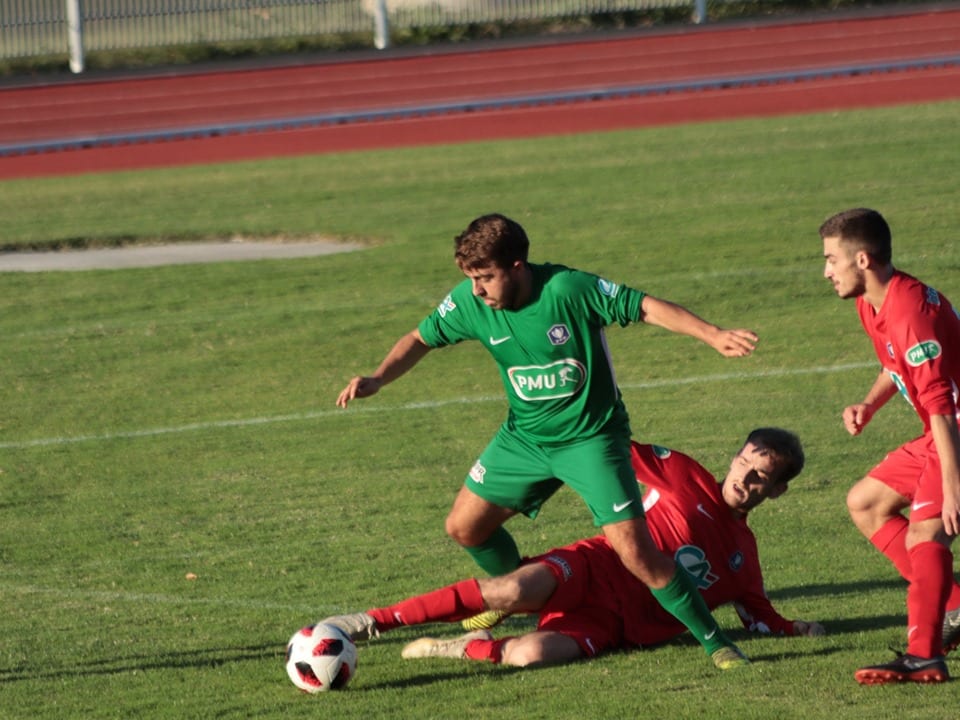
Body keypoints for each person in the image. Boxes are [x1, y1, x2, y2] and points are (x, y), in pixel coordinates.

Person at [336, 214, 759, 668]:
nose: (476, 290)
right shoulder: (469, 302)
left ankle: (718, 645)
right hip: (525, 438)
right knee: (464, 528)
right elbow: (420, 338)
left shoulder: (568, 290)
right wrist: (379, 378)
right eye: (471, 279)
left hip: (591, 440)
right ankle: (515, 592)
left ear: (518, 266)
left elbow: (647, 307)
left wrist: (712, 334)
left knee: (638, 554)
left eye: (485, 278)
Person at [318, 428, 823, 669]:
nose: (747, 479)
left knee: (530, 655)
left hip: (618, 626)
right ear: (733, 458)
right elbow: (608, 442)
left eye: (763, 478)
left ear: (777, 490)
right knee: (512, 587)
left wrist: (795, 628)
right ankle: (369, 622)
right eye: (745, 465)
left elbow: (758, 617)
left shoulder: (744, 556)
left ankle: (454, 647)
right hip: (592, 566)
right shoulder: (680, 473)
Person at [820, 207, 960, 685]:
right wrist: (869, 404)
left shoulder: (910, 314)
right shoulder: (873, 303)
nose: (825, 271)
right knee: (865, 503)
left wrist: (952, 481)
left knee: (926, 536)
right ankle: (955, 608)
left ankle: (924, 655)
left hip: (954, 433)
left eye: (830, 260)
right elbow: (895, 366)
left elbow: (940, 403)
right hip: (939, 432)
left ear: (861, 259)